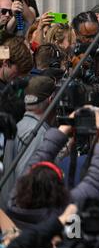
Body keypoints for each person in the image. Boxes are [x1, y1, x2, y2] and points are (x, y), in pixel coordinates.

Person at [0, 76, 56, 210]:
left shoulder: (18, 125)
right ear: (51, 100)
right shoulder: (36, 133)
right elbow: (26, 182)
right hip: (21, 219)